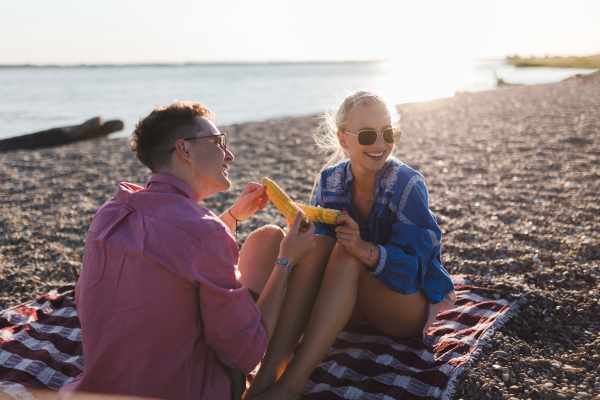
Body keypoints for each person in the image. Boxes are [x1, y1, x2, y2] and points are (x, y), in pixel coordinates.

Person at [58, 101, 316, 400]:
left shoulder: (111, 211)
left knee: (266, 236)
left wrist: (231, 218)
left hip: (102, 387)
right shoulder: (205, 232)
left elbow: (172, 250)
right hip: (184, 390)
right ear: (186, 150)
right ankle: (276, 386)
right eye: (219, 142)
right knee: (273, 243)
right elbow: (244, 353)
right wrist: (287, 259)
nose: (229, 154)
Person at [244, 91, 456, 400]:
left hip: (407, 305)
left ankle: (292, 385)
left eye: (388, 133)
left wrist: (364, 251)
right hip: (354, 305)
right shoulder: (330, 180)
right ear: (343, 139)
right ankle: (266, 378)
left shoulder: (407, 185)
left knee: (346, 255)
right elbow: (322, 252)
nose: (380, 143)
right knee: (318, 245)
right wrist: (303, 236)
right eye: (368, 134)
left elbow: (416, 271)